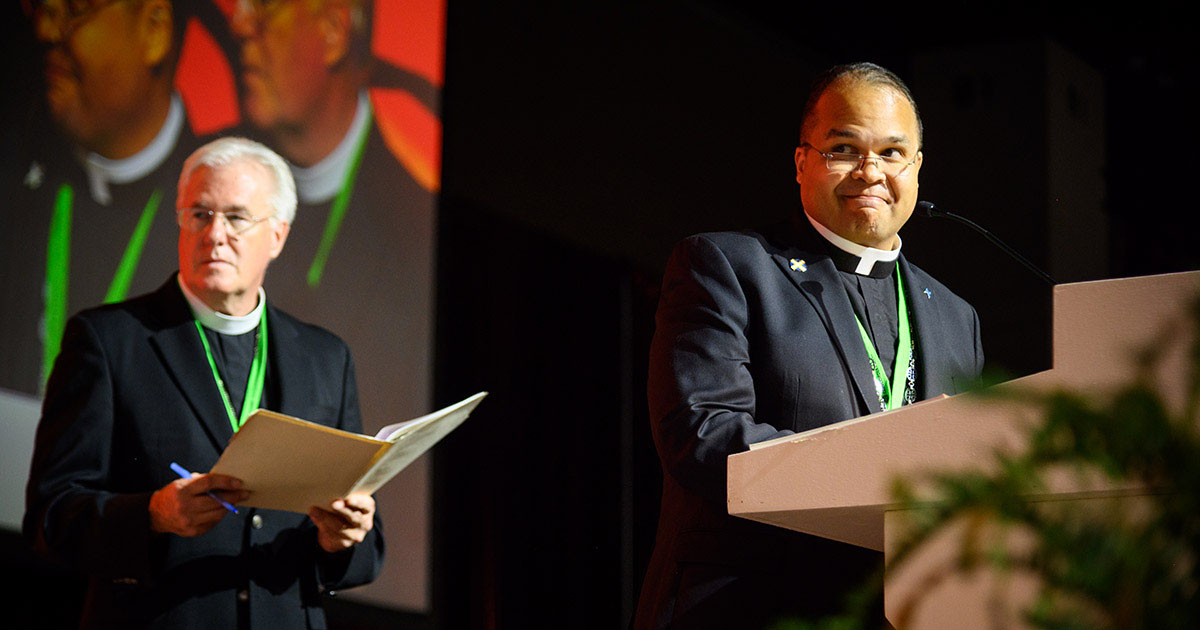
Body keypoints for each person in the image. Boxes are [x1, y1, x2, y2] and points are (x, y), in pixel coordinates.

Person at [633, 63, 984, 628]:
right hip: (747, 606)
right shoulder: (728, 266)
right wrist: (885, 464)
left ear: (918, 168)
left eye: (893, 153)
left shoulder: (955, 315)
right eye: (845, 148)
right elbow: (702, 433)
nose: (871, 171)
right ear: (802, 163)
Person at [23, 137, 385, 629]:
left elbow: (365, 554)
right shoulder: (109, 341)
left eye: (237, 217)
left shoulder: (326, 358)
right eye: (199, 214)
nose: (215, 234)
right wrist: (152, 514)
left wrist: (344, 538)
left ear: (277, 235)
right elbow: (51, 518)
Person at [229, 0, 435, 441]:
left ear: (333, 33)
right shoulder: (211, 180)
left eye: (263, 7)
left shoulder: (414, 230)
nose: (240, 24)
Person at [2, 0, 202, 393]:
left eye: (75, 8)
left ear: (154, 30)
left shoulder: (222, 210)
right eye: (40, 7)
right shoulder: (17, 173)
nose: (45, 30)